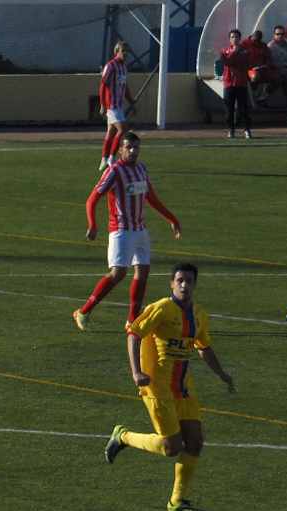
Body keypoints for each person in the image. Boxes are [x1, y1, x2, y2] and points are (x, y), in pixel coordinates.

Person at [105, 262, 236, 511]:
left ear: (195, 285)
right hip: (159, 388)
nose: (185, 285)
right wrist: (136, 372)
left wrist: (222, 374)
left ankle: (177, 501)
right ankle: (123, 436)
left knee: (195, 442)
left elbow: (203, 346)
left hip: (184, 388)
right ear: (172, 284)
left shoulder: (199, 314)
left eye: (189, 281)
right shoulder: (161, 309)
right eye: (180, 281)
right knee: (172, 448)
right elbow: (134, 334)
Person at [74, 132, 182, 332]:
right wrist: (93, 225)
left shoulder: (141, 169)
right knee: (118, 273)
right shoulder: (114, 171)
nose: (133, 151)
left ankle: (132, 320)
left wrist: (172, 219)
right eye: (129, 147)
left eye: (136, 147)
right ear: (120, 150)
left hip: (140, 230)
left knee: (143, 271)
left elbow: (150, 197)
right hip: (121, 231)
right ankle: (84, 311)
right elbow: (92, 199)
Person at [98, 41, 137, 171]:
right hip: (111, 105)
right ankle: (111, 158)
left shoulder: (124, 67)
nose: (125, 53)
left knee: (111, 133)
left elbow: (125, 87)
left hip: (119, 105)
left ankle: (104, 160)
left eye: (127, 51)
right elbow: (103, 85)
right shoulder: (111, 66)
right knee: (123, 130)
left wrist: (132, 103)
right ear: (116, 52)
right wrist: (103, 105)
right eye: (122, 50)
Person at [221, 29, 254, 139]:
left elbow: (248, 64)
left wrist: (238, 63)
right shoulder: (226, 51)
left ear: (239, 38)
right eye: (232, 37)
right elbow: (227, 62)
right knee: (229, 109)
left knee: (243, 108)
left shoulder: (245, 51)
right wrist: (234, 53)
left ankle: (246, 129)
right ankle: (231, 129)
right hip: (229, 84)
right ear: (230, 39)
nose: (234, 39)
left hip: (241, 83)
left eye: (236, 37)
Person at [244, 30, 282, 105]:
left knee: (278, 80)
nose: (256, 43)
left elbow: (268, 58)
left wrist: (267, 64)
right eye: (255, 41)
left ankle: (263, 96)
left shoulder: (263, 45)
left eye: (258, 41)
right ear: (252, 36)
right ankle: (255, 93)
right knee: (255, 76)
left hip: (263, 68)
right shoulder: (244, 44)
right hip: (251, 69)